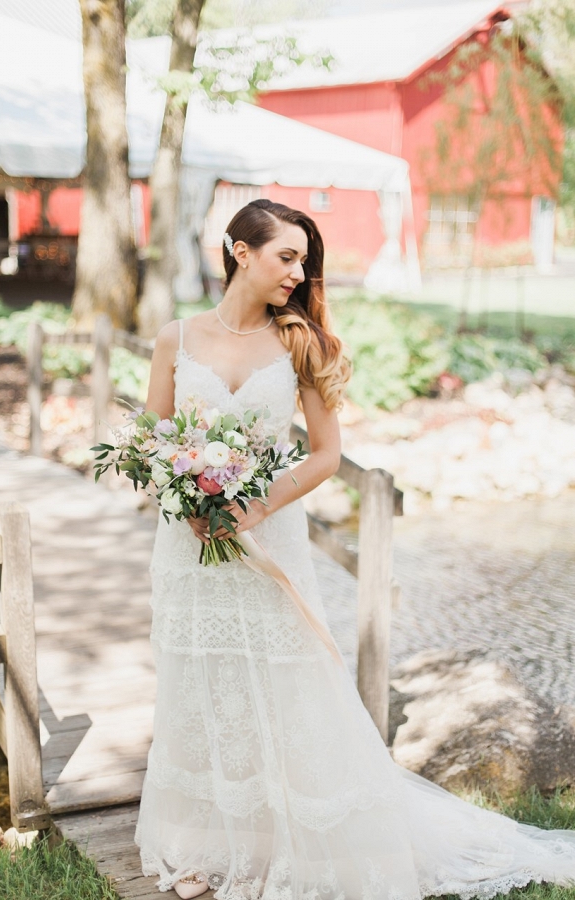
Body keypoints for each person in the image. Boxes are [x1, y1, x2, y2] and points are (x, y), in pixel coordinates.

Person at [134, 199, 575, 899]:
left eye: (304, 260)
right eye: (286, 256)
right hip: (189, 544)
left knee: (286, 685)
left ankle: (288, 842)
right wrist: (183, 496)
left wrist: (253, 505)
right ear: (239, 251)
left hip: (267, 537)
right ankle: (201, 849)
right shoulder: (175, 339)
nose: (299, 272)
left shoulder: (298, 342)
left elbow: (325, 455)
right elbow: (152, 440)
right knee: (199, 683)